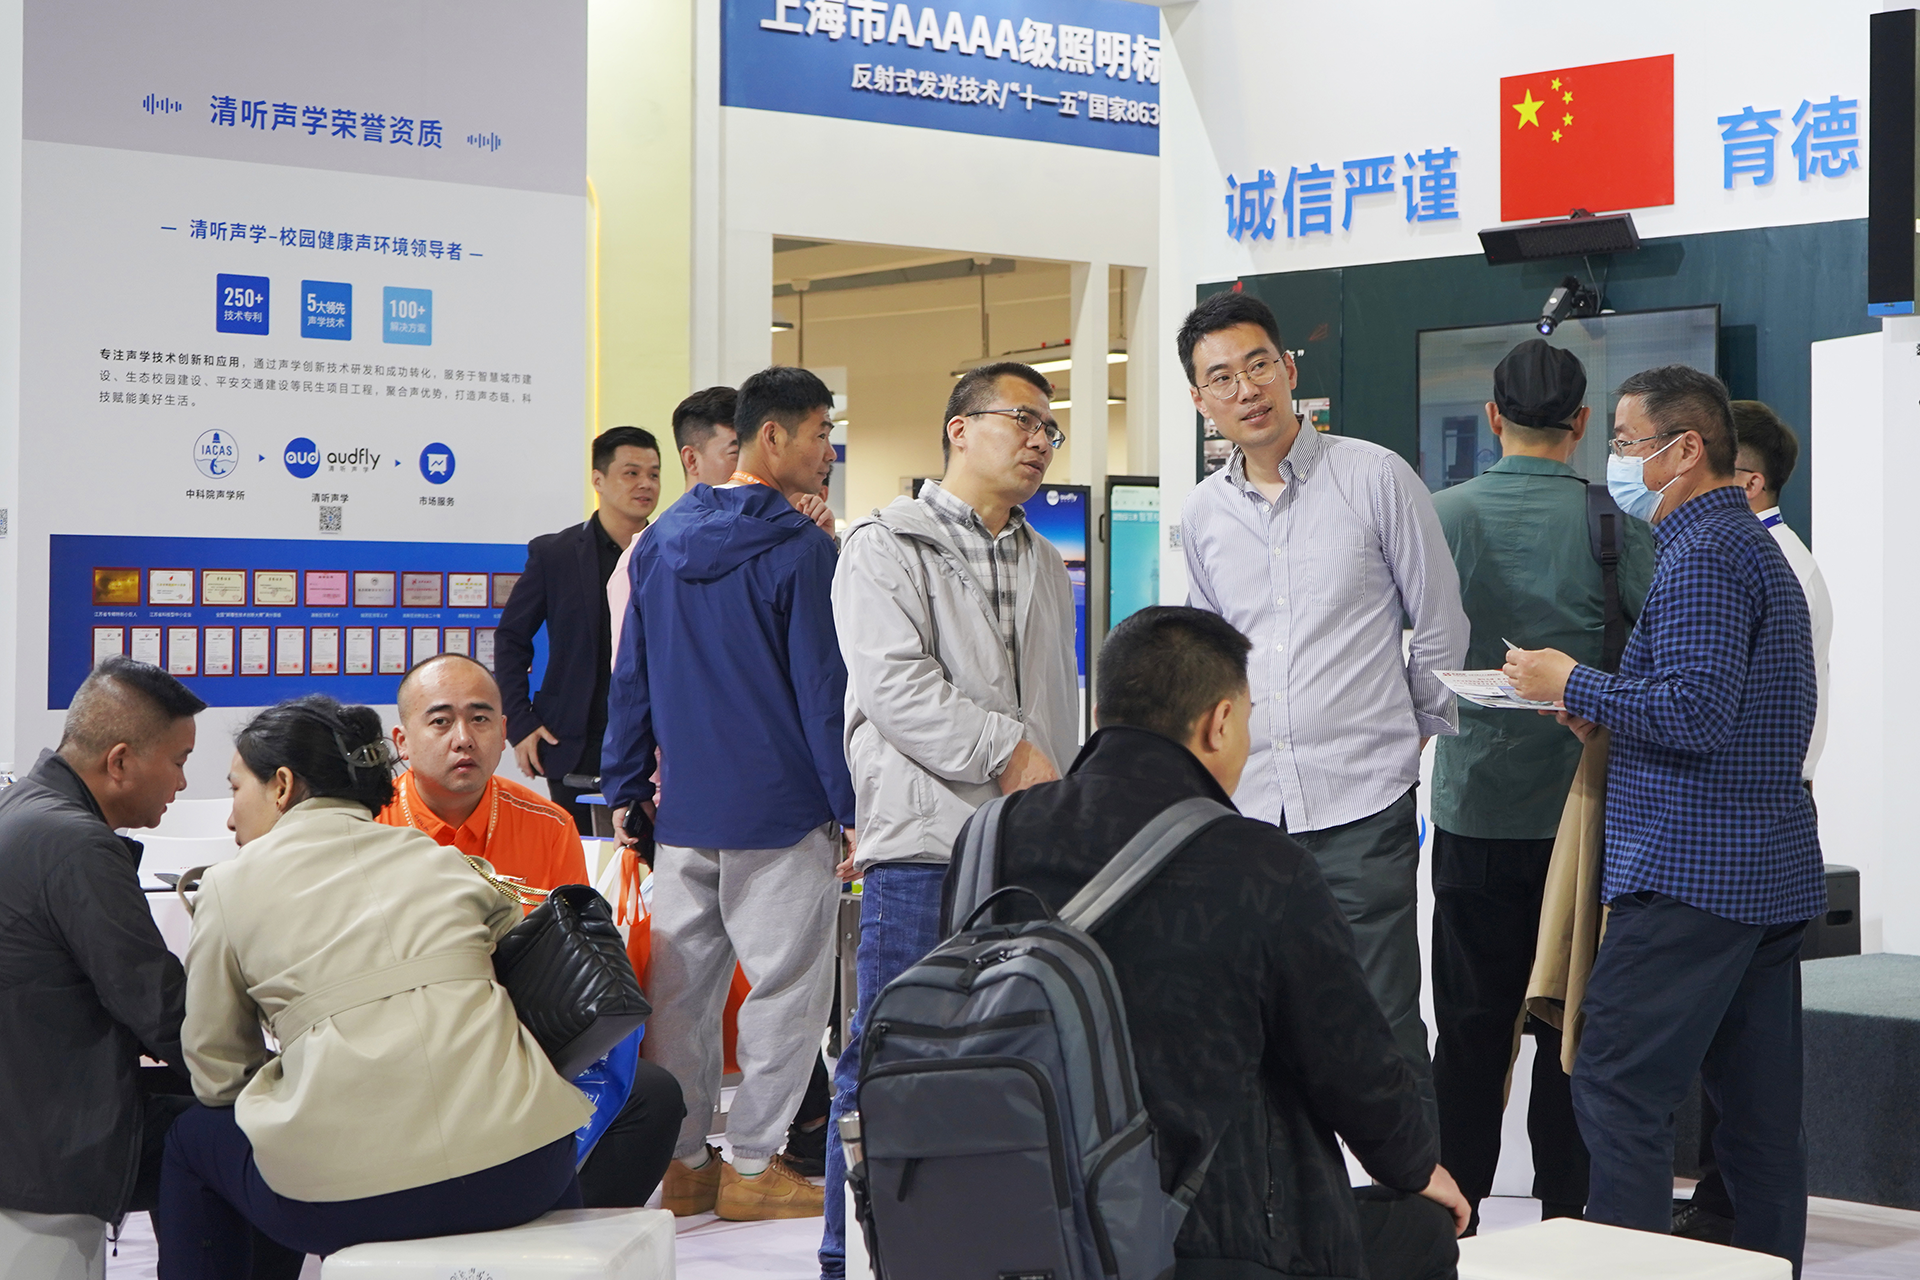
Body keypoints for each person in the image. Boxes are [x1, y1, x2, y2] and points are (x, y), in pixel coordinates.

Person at [969, 606, 1466, 1280]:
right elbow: (1351, 1062)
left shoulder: (990, 837)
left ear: (1102, 714)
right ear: (1220, 723)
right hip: (1207, 1239)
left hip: (1016, 1227)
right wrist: (1416, 1167)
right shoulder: (1262, 864)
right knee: (1423, 1232)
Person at [1504, 365, 1823, 1275]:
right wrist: (1605, 710)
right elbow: (1721, 708)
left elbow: (1694, 712)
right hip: (1763, 872)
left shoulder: (1705, 554)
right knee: (1757, 1120)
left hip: (1692, 873)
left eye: (1626, 442)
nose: (1614, 459)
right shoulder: (1746, 545)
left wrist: (1574, 681)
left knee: (1615, 1085)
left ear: (1686, 449)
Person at [159, 696, 591, 1278]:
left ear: (281, 786)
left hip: (349, 1203)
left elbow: (217, 1074)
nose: (231, 819)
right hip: (528, 1170)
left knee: (190, 1139)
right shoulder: (445, 861)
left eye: (236, 789)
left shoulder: (226, 887)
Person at [1176, 290, 1469, 1120]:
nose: (1246, 389)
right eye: (1222, 378)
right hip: (1248, 811)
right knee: (1261, 1025)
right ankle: (1297, 1198)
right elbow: (1204, 658)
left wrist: (1410, 736)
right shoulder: (1202, 515)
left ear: (1289, 370)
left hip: (1361, 804)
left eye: (1259, 365)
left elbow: (1440, 626)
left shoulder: (1373, 476)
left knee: (1380, 1020)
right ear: (1200, 400)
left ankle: (1411, 1195)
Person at [819, 361, 1082, 1278]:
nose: (1041, 441)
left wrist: (1060, 796)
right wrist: (1008, 752)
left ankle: (976, 1251)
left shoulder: (1042, 557)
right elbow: (894, 686)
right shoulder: (885, 544)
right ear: (959, 429)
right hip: (925, 847)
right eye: (1024, 420)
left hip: (1024, 846)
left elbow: (1055, 702)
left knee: (1008, 1057)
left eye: (1050, 428)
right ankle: (855, 1255)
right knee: (889, 1057)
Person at [601, 365, 853, 1220]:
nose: (828, 450)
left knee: (681, 994)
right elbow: (823, 693)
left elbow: (630, 675)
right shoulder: (802, 548)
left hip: (684, 813)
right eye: (820, 433)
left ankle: (683, 1165)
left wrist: (625, 785)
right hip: (783, 810)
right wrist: (852, 808)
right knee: (786, 989)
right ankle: (750, 1167)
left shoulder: (660, 542)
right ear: (771, 436)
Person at [1427, 339, 1656, 1233]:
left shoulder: (1440, 515)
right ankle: (1566, 1212)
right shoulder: (1617, 525)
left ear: (1492, 417)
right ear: (1584, 422)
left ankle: (1454, 1211)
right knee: (1572, 1017)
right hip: (1584, 815)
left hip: (1473, 807)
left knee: (1469, 1024)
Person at [377, 652, 686, 1209]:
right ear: (403, 740)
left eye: (480, 719)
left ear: (503, 733)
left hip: (518, 1044)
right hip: (404, 1049)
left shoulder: (548, 825)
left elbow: (570, 965)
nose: (463, 739)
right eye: (440, 721)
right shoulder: (370, 826)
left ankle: (560, 1232)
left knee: (654, 1095)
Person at [1673, 399, 1835, 1246]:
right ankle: (1730, 1216)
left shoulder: (1760, 560)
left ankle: (1730, 1218)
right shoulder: (1774, 557)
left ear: (1747, 478)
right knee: (1747, 1067)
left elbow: (1714, 713)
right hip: (1763, 819)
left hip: (1744, 824)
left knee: (1739, 1071)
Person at [0, 658, 205, 1225]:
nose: (183, 783)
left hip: (28, 1112)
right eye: (179, 762)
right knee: (254, 1139)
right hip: (46, 1146)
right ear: (119, 762)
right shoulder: (79, 847)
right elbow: (162, 1011)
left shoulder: (20, 807)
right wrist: (271, 1082)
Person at [498, 424, 662, 831]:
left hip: (656, 742)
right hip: (575, 741)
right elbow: (511, 638)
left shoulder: (672, 550)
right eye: (631, 473)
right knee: (584, 858)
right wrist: (520, 721)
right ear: (598, 480)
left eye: (654, 474)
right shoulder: (555, 554)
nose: (646, 484)